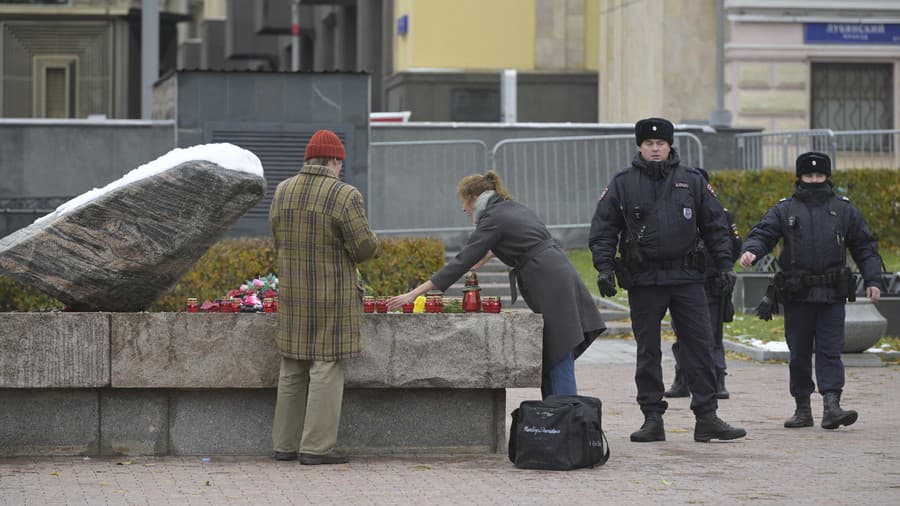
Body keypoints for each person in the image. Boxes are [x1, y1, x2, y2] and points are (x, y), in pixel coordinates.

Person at [589, 117, 746, 443]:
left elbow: (715, 224)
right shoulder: (623, 183)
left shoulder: (691, 181)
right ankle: (652, 418)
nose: (656, 148)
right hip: (645, 279)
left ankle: (707, 417)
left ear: (670, 145)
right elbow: (604, 228)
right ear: (640, 146)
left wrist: (724, 266)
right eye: (649, 143)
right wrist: (604, 267)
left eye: (661, 143)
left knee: (700, 347)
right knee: (648, 351)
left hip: (688, 278)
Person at [387, 171, 605, 398]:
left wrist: (414, 293)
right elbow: (523, 237)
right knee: (555, 347)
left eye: (463, 202)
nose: (463, 209)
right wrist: (492, 252)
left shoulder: (492, 217)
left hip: (548, 279)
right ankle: (556, 417)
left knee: (560, 348)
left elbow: (461, 261)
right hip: (554, 273)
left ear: (473, 198)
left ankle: (566, 418)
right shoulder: (508, 208)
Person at [739, 151, 882, 430]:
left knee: (830, 350)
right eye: (809, 175)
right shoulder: (785, 209)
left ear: (827, 177)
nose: (814, 180)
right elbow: (763, 234)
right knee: (799, 353)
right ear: (800, 177)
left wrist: (873, 280)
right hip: (798, 294)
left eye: (819, 175)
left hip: (832, 294)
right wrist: (751, 252)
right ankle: (802, 408)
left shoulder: (843, 209)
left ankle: (832, 406)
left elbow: (865, 246)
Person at [269, 129, 379, 464]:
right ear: (333, 161)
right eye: (339, 163)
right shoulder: (344, 195)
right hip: (333, 293)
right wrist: (375, 241)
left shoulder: (282, 190)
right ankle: (316, 448)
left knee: (292, 364)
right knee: (326, 365)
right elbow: (363, 247)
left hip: (293, 292)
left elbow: (274, 239)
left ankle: (283, 445)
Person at [665, 169, 742, 400]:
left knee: (711, 334)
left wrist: (719, 266)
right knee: (682, 333)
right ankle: (682, 378)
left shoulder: (721, 214)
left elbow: (733, 244)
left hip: (710, 282)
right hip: (683, 280)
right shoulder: (675, 213)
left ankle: (718, 378)